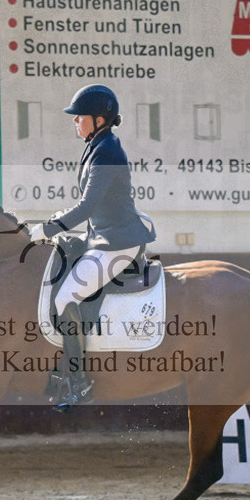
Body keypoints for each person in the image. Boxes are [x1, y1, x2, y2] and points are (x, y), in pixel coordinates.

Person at [28, 84, 156, 409]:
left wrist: (48, 227)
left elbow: (86, 207)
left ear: (99, 119)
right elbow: (92, 208)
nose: (75, 122)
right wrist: (60, 224)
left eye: (79, 117)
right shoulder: (97, 144)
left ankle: (80, 382)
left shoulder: (108, 151)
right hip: (102, 237)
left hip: (118, 244)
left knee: (65, 297)